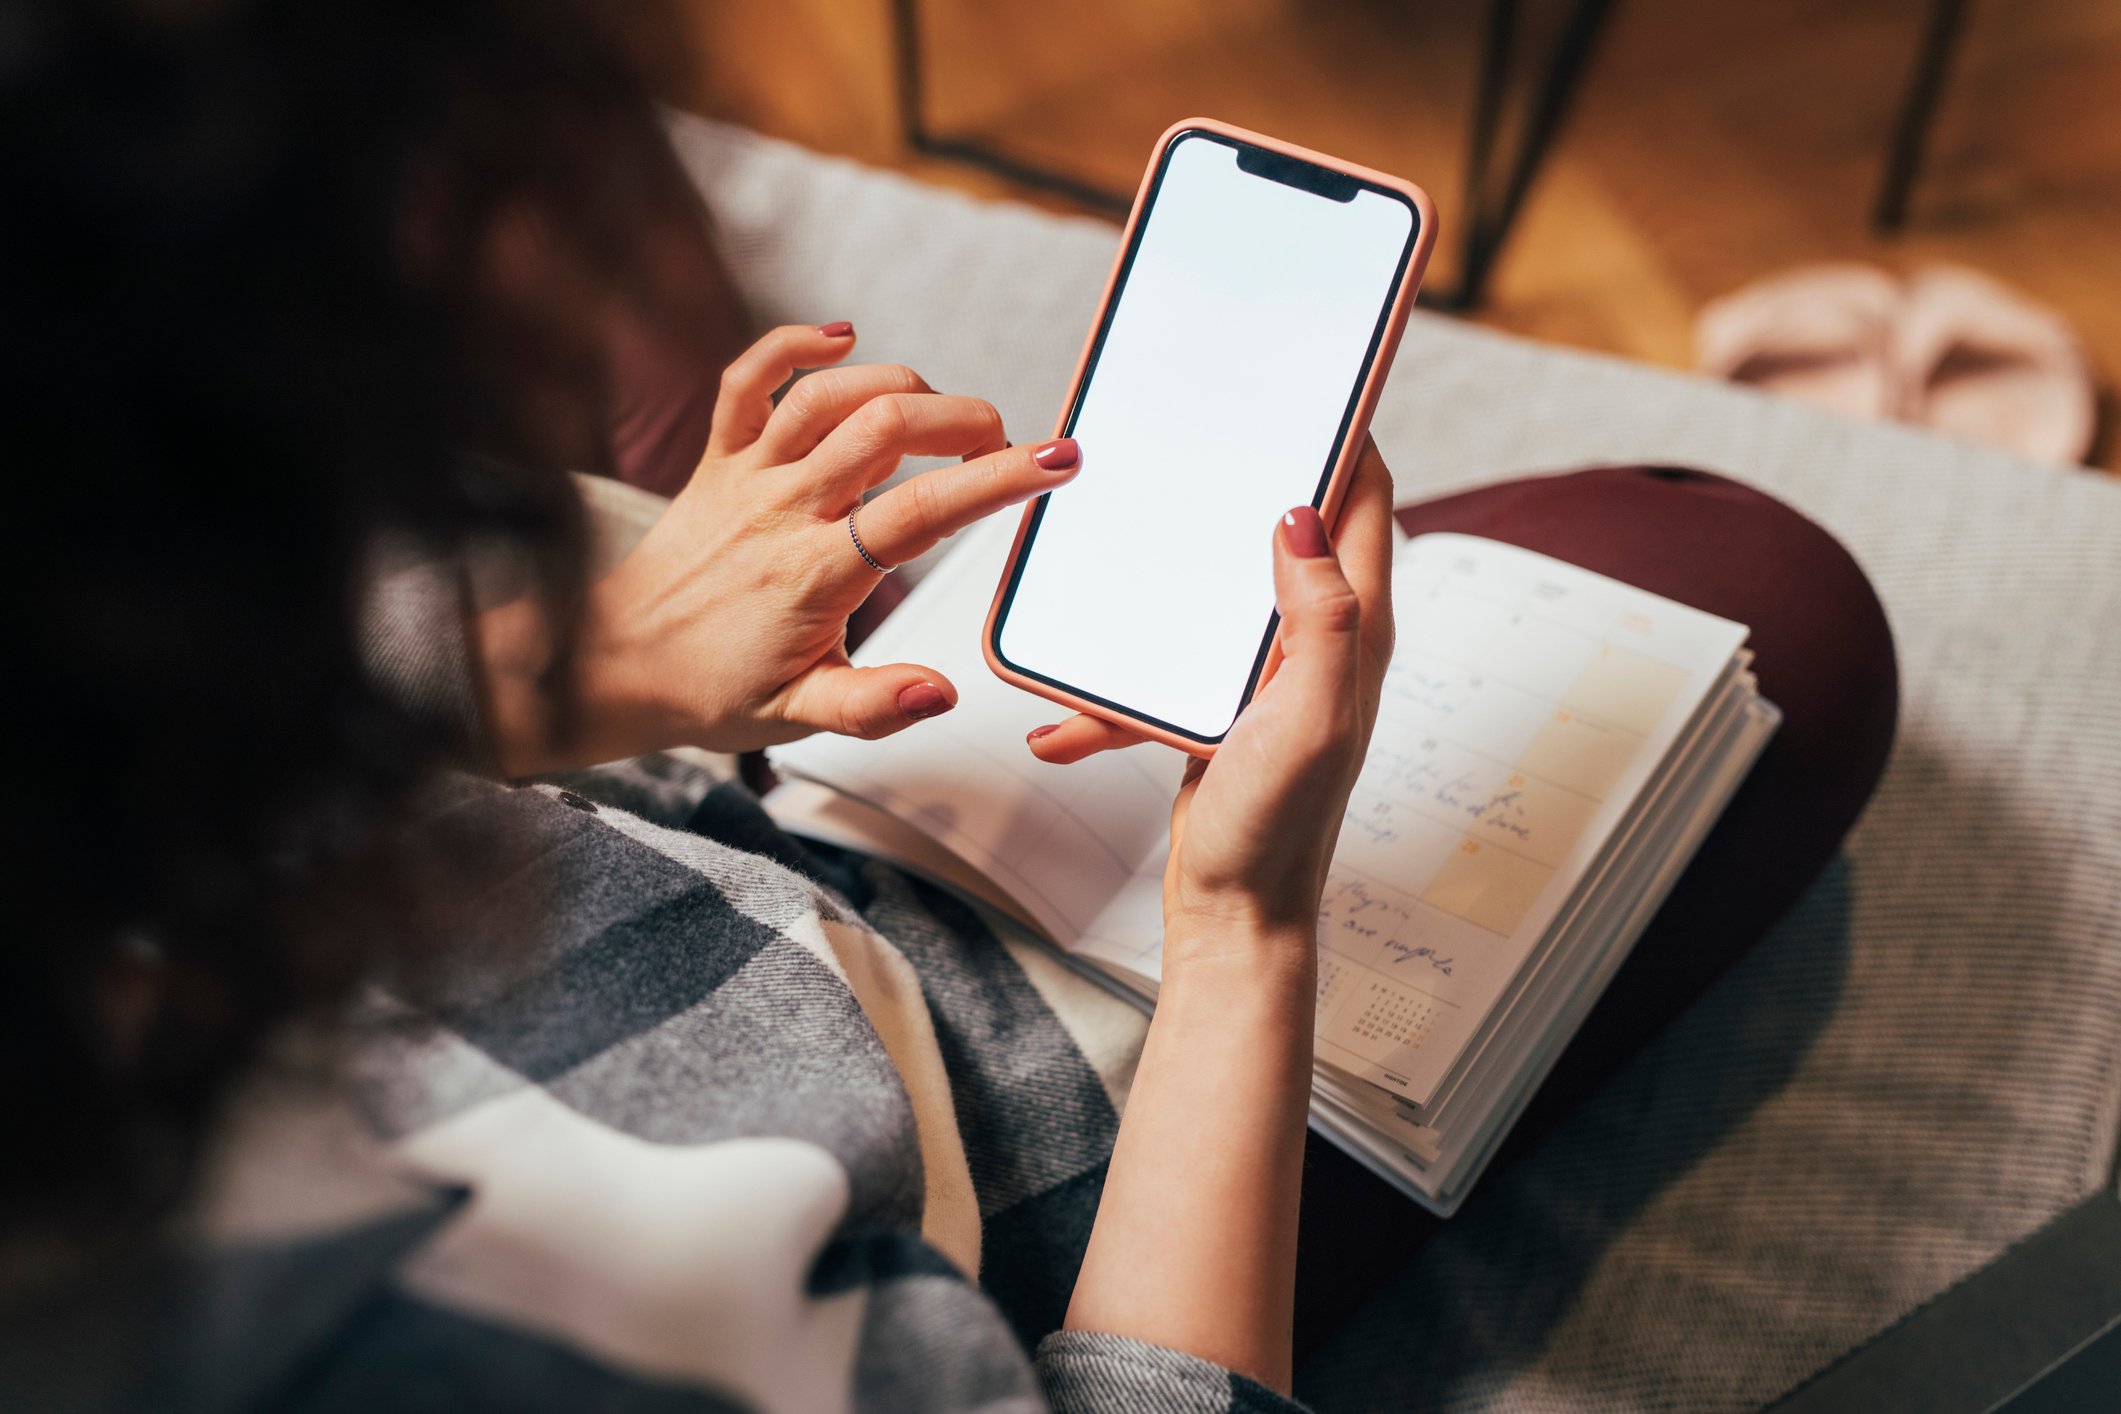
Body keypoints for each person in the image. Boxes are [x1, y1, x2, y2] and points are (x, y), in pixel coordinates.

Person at [1, 2, 1895, 1411]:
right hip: (992, 1140)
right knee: (1753, 581)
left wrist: (573, 674)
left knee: (703, 342)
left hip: (639, 808)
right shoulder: (483, 1345)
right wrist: (1246, 919)